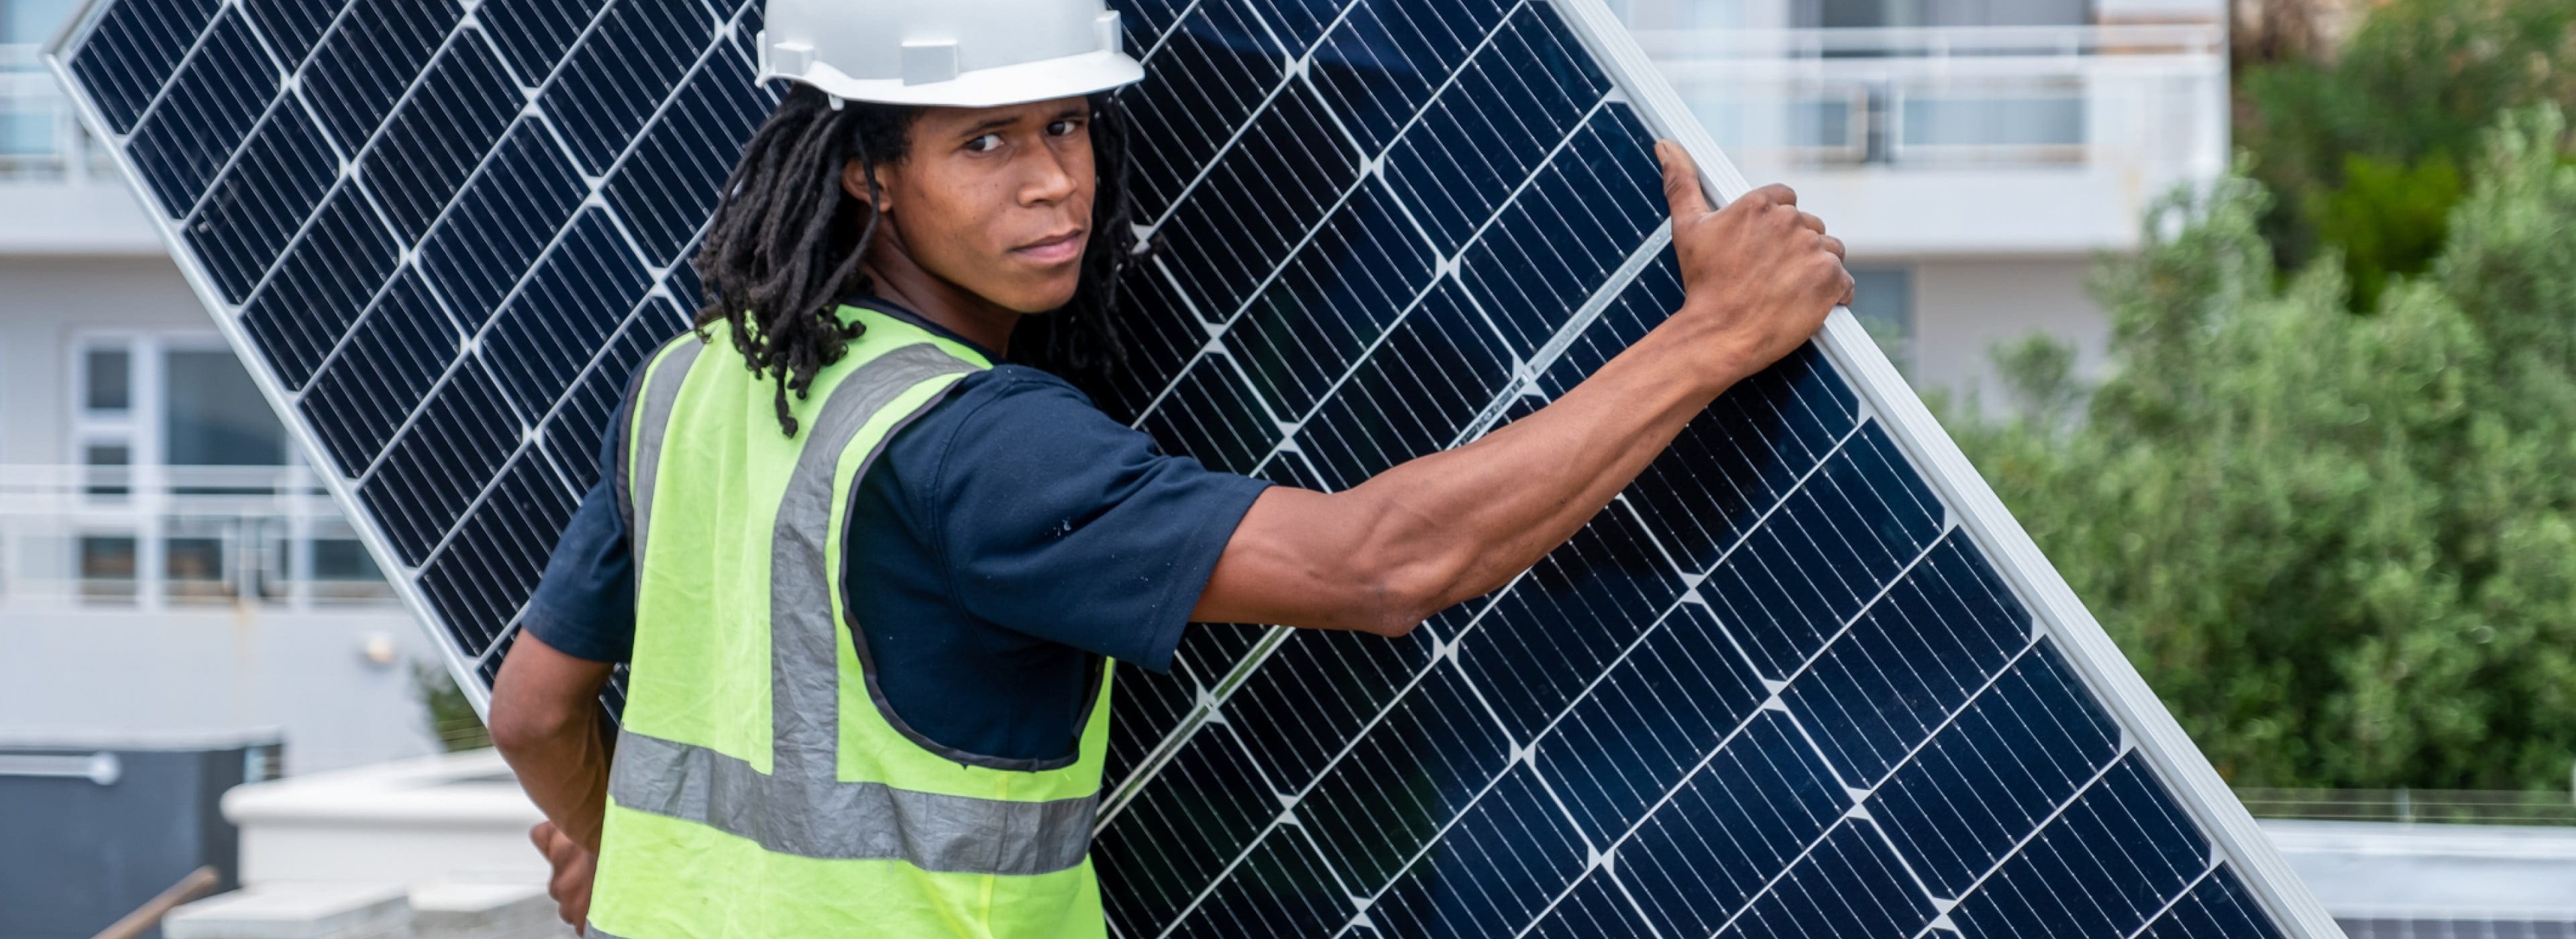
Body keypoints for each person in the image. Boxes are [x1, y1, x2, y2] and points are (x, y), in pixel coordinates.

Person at [486, 0, 1851, 934]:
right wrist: (1715, 336)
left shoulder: (697, 376)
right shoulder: (979, 443)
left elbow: (535, 713)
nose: (1052, 183)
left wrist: (616, 847)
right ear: (864, 173)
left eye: (1066, 127)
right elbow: (1378, 564)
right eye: (984, 142)